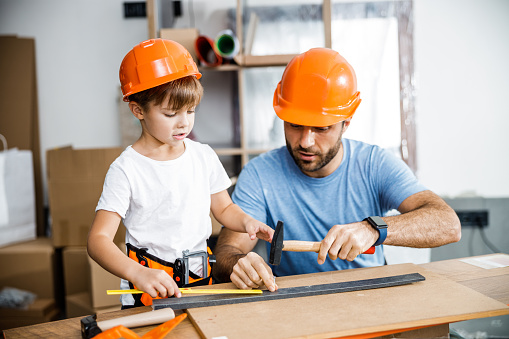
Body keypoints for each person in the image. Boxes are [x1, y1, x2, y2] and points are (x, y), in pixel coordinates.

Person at [212, 47, 461, 292]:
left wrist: (373, 229)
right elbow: (227, 251)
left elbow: (448, 224)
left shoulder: (375, 164)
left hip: (370, 296)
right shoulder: (259, 174)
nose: (305, 141)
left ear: (346, 124)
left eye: (321, 128)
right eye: (295, 124)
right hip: (293, 302)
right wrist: (239, 264)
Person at [87, 39, 273, 308]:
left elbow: (223, 208)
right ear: (138, 109)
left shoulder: (203, 156)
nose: (184, 122)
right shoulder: (126, 170)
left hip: (200, 282)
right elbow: (98, 240)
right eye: (171, 113)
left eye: (191, 110)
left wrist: (246, 222)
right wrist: (137, 273)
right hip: (149, 292)